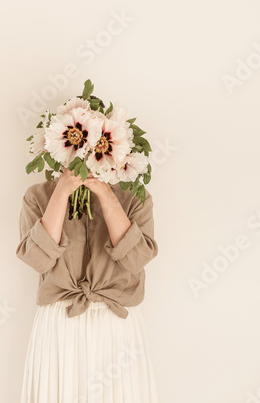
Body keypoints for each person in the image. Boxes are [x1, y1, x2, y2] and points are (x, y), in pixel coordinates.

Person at [17, 167, 159, 402]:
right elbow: (39, 260)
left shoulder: (135, 195)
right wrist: (61, 192)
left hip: (116, 323)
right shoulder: (37, 195)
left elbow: (136, 259)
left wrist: (105, 194)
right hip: (60, 322)